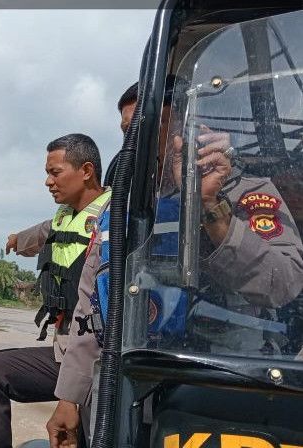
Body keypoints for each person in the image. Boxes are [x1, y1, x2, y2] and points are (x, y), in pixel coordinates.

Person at [45, 80, 303, 447]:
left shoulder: (248, 193)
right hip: (122, 396)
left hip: (217, 398)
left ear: (190, 129)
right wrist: (69, 397)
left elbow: (283, 284)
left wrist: (211, 207)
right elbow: (92, 306)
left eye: (153, 127)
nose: (139, 144)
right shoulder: (119, 211)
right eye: (128, 133)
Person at [0, 133, 110, 448]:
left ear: (86, 171)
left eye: (55, 173)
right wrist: (17, 239)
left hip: (99, 358)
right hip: (63, 352)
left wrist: (70, 398)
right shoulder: (63, 216)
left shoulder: (112, 221)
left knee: (90, 430)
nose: (47, 181)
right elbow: (43, 233)